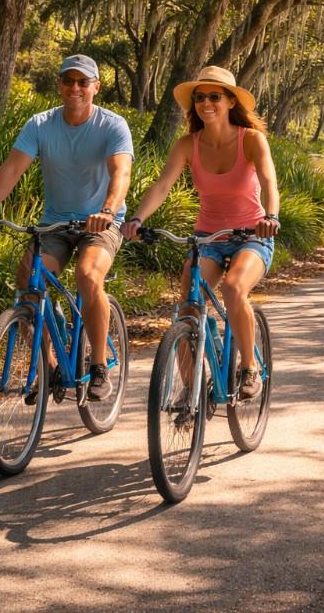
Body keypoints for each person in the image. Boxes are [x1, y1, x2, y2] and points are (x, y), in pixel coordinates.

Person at [0, 54, 133, 401]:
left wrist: (107, 210)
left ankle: (98, 365)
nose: (75, 88)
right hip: (55, 223)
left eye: (83, 82)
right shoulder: (40, 124)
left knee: (88, 276)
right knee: (28, 280)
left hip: (100, 222)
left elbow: (120, 173)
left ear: (96, 87)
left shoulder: (112, 125)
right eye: (68, 81)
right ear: (59, 85)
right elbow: (12, 170)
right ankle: (50, 365)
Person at [120, 66, 280, 399]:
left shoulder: (251, 140)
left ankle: (250, 368)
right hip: (208, 239)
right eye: (200, 98)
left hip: (252, 235)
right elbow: (162, 186)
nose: (206, 103)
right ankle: (190, 393)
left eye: (214, 96)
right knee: (187, 308)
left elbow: (269, 183)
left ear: (231, 101)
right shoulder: (187, 145)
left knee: (234, 288)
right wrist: (136, 218)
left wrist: (271, 216)